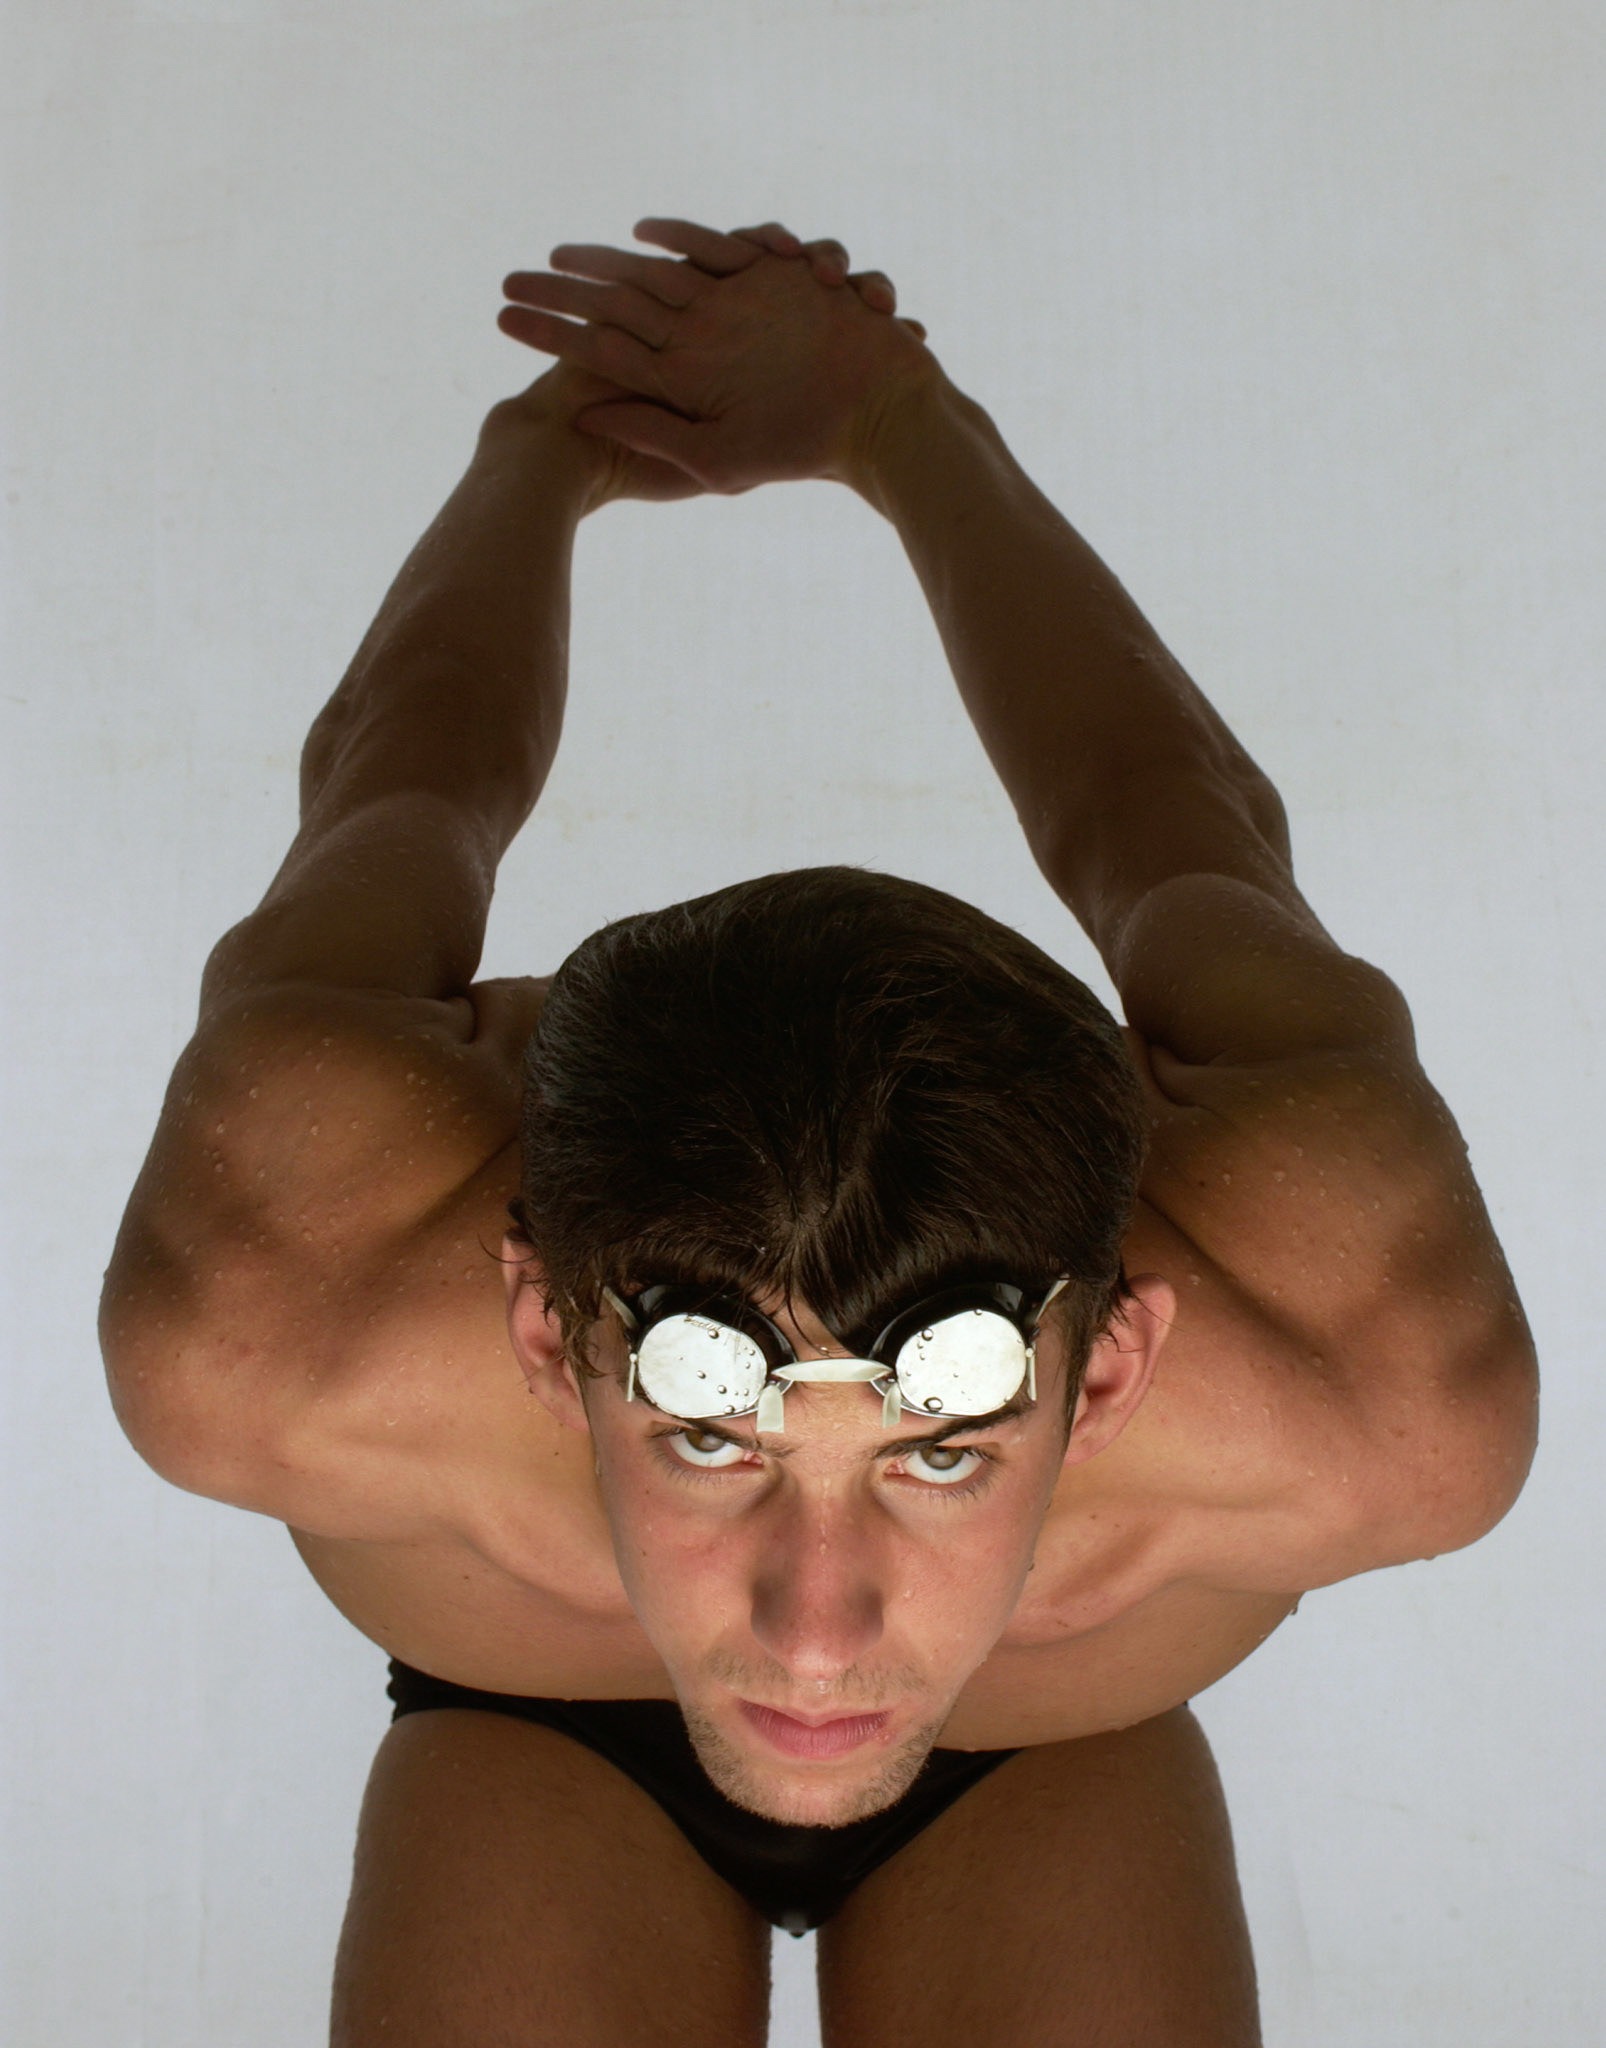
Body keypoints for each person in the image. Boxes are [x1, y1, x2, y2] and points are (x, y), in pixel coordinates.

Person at [99, 215, 1538, 2047]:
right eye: (707, 1439)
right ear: (546, 1330)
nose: (814, 1631)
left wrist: (900, 419)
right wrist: (542, 454)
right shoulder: (279, 1316)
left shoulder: (1372, 1387)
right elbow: (405, 775)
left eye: (944, 1454)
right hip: (530, 1725)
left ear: (1109, 1370)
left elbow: (1160, 813)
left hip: (1055, 1742)